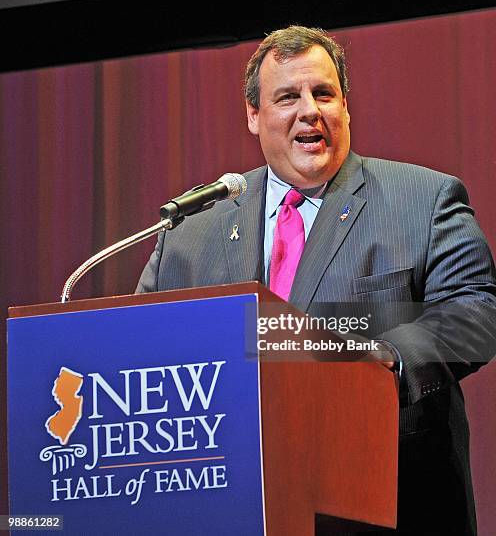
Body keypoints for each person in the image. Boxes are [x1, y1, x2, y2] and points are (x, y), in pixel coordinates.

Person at [137, 26, 496, 535]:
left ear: (345, 107)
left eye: (323, 93)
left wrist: (390, 358)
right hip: (230, 505)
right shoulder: (192, 233)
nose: (310, 110)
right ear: (253, 116)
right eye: (287, 97)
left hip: (388, 505)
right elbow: (140, 349)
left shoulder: (424, 199)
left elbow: (475, 312)